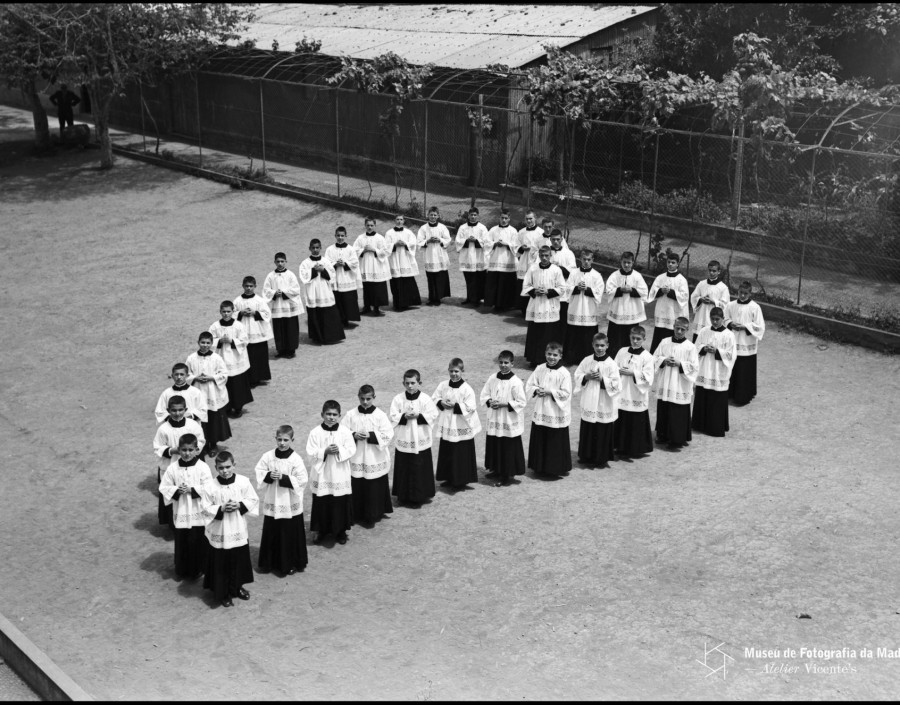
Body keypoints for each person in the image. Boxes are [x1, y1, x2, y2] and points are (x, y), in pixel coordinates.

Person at [202, 451, 258, 608]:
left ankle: (237, 587)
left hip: (237, 528)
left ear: (234, 465)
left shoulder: (243, 482)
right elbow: (204, 507)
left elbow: (253, 499)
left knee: (238, 560)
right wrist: (221, 508)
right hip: (220, 530)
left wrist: (240, 505)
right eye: (221, 468)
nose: (225, 471)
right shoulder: (210, 486)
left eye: (228, 467)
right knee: (221, 562)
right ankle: (223, 593)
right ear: (216, 468)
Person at [254, 425, 308, 576]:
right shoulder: (268, 456)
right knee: (272, 530)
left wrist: (284, 478)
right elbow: (259, 471)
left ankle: (289, 563)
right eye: (279, 439)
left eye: (286, 440)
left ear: (292, 440)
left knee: (288, 532)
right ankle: (268, 562)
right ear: (275, 439)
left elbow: (302, 480)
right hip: (273, 499)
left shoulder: (296, 459)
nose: (282, 443)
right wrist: (268, 476)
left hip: (289, 502)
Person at [159, 434, 213, 579]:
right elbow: (164, 487)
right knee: (183, 540)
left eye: (190, 450)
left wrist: (192, 490)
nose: (187, 453)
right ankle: (182, 569)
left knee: (198, 540)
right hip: (181, 509)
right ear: (179, 450)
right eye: (183, 450)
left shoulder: (202, 467)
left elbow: (210, 488)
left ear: (196, 450)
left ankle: (199, 568)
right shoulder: (173, 468)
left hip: (198, 510)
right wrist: (177, 491)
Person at [306, 400, 356, 545]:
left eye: (334, 414)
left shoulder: (345, 431)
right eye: (328, 414)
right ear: (322, 414)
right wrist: (324, 451)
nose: (331, 417)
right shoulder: (315, 432)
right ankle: (320, 530)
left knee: (339, 502)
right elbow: (310, 452)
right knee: (322, 502)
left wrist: (339, 450)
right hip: (322, 474)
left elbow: (351, 449)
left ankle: (340, 531)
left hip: (339, 472)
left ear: (339, 415)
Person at [344, 385, 394, 525]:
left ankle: (374, 513)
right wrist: (353, 435)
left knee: (374, 485)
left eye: (368, 399)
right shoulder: (351, 415)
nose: (365, 402)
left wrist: (371, 435)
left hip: (374, 457)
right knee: (358, 484)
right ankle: (358, 513)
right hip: (358, 456)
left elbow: (388, 434)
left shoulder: (380, 415)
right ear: (358, 397)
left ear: (374, 398)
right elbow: (342, 432)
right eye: (362, 398)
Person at [389, 370, 440, 505]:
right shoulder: (398, 399)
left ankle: (421, 496)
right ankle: (403, 496)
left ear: (419, 383)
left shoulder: (425, 399)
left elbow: (433, 414)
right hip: (404, 438)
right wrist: (403, 416)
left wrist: (419, 416)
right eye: (407, 383)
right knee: (404, 467)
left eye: (413, 383)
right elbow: (393, 416)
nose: (410, 386)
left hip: (420, 438)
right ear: (403, 383)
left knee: (420, 467)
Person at [153, 396, 205, 527]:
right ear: (168, 410)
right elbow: (157, 447)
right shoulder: (163, 429)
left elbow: (201, 441)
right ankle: (173, 524)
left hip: (190, 465)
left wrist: (189, 451)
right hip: (171, 466)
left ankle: (194, 522)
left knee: (191, 492)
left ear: (185, 409)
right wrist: (173, 450)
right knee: (173, 492)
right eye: (174, 410)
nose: (177, 413)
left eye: (180, 410)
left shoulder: (193, 425)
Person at [432, 357, 482, 490]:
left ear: (462, 371)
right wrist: (440, 402)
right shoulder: (443, 385)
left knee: (460, 452)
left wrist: (455, 406)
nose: (454, 374)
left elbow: (471, 407)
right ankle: (448, 477)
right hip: (447, 425)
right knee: (447, 451)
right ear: (448, 370)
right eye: (451, 371)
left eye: (457, 371)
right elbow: (434, 397)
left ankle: (461, 479)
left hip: (460, 425)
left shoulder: (467, 389)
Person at [525, 342, 573, 477]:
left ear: (560, 356)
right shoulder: (540, 368)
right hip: (541, 409)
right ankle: (538, 467)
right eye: (549, 354)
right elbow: (530, 385)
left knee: (554, 439)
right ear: (545, 354)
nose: (552, 357)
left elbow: (566, 393)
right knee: (540, 436)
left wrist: (550, 392)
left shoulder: (564, 373)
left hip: (555, 411)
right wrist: (536, 390)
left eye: (555, 355)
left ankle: (554, 469)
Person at [574, 333, 622, 469]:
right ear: (592, 345)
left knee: (601, 428)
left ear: (607, 346)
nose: (599, 348)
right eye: (597, 345)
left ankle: (600, 458)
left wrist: (602, 379)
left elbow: (617, 384)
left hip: (603, 402)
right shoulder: (587, 360)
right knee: (588, 427)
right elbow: (577, 375)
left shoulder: (611, 364)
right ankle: (585, 455)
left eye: (602, 345)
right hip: (589, 399)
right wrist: (586, 376)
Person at [479, 350, 527, 486]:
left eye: (506, 363)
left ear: (512, 364)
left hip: (508, 419)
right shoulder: (492, 378)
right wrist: (490, 402)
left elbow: (521, 402)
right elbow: (484, 394)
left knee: (506, 446)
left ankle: (506, 474)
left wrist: (504, 404)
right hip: (495, 417)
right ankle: (496, 469)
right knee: (495, 443)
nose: (503, 365)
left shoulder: (516, 382)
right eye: (501, 362)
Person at [652, 317, 699, 450]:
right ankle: (662, 435)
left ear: (687, 330)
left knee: (677, 411)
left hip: (680, 384)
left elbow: (695, 367)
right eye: (677, 328)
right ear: (673, 326)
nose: (679, 331)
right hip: (665, 382)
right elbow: (654, 358)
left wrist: (680, 364)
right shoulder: (664, 342)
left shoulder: (690, 347)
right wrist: (663, 360)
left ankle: (677, 439)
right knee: (664, 407)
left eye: (682, 329)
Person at [692, 307, 736, 437]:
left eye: (717, 319)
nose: (715, 322)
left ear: (723, 319)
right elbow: (695, 347)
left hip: (718, 371)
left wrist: (717, 351)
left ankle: (715, 427)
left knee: (716, 398)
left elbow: (731, 355)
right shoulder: (704, 331)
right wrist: (703, 348)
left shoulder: (729, 335)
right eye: (712, 319)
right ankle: (699, 425)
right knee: (702, 395)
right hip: (705, 369)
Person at [613, 326, 655, 458]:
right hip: (622, 391)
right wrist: (618, 370)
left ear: (644, 339)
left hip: (636, 393)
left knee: (635, 421)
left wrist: (633, 373)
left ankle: (635, 448)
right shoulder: (622, 351)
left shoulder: (647, 356)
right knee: (622, 418)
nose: (635, 341)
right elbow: (613, 367)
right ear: (629, 337)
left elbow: (649, 377)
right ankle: (620, 446)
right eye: (633, 338)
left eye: (638, 339)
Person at [186, 332, 231, 457]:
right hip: (198, 391)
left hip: (213, 393)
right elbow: (187, 374)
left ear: (212, 344)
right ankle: (202, 445)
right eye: (202, 342)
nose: (205, 345)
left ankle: (213, 444)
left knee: (213, 419)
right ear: (198, 342)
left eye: (208, 343)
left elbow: (224, 374)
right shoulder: (191, 358)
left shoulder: (216, 358)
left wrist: (212, 378)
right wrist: (195, 378)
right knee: (199, 418)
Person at [724, 281, 766, 406]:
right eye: (740, 293)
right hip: (733, 342)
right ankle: (730, 393)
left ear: (750, 293)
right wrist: (731, 324)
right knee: (732, 368)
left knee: (744, 371)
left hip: (747, 345)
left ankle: (743, 396)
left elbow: (760, 327)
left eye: (745, 293)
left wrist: (745, 327)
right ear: (737, 292)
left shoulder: (755, 307)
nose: (742, 296)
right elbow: (725, 319)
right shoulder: (730, 305)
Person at [209, 301, 253, 418]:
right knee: (224, 384)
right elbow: (209, 341)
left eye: (229, 311)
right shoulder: (215, 326)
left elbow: (244, 341)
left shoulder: (238, 325)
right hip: (222, 358)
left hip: (236, 359)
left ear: (233, 311)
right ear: (220, 312)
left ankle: (238, 407)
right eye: (224, 311)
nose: (226, 314)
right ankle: (226, 407)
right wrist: (219, 341)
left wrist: (232, 341)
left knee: (237, 384)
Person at [522, 246, 565, 367]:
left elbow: (562, 288)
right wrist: (534, 291)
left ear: (550, 256)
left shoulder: (556, 270)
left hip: (549, 306)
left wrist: (548, 291)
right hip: (536, 306)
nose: (544, 258)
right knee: (535, 333)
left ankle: (548, 360)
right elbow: (526, 285)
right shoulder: (533, 268)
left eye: (547, 255)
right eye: (542, 256)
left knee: (548, 334)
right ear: (539, 256)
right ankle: (534, 359)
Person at [299, 239, 346, 344]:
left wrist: (323, 270)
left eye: (317, 248)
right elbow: (303, 277)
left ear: (320, 248)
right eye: (313, 248)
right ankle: (318, 338)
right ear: (309, 248)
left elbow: (332, 275)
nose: (315, 250)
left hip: (325, 291)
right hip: (313, 292)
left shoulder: (325, 261)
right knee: (315, 315)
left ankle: (330, 337)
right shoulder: (305, 263)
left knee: (328, 314)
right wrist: (313, 271)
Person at [563, 248, 604, 365]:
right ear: (580, 259)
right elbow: (567, 288)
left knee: (587, 336)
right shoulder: (574, 273)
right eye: (584, 259)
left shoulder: (596, 275)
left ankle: (587, 360)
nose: (586, 262)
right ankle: (571, 358)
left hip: (588, 310)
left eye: (589, 259)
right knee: (573, 334)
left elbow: (599, 292)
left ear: (592, 260)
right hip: (575, 309)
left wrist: (587, 289)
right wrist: (576, 288)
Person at [604, 251, 649, 358]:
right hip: (617, 312)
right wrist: (619, 290)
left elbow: (644, 292)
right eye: (624, 262)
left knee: (630, 335)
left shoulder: (637, 276)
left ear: (633, 262)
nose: (626, 265)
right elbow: (609, 291)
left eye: (629, 262)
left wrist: (632, 290)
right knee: (616, 337)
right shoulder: (614, 275)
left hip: (631, 313)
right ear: (621, 261)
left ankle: (629, 357)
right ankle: (613, 357)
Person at [232, 275, 273, 387]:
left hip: (257, 333)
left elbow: (267, 314)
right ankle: (248, 379)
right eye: (246, 286)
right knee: (246, 356)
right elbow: (231, 314)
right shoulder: (237, 301)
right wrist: (241, 313)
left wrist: (255, 313)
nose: (248, 288)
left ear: (255, 286)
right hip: (244, 331)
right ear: (243, 286)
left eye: (251, 286)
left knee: (259, 356)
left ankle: (259, 377)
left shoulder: (259, 300)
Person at [262, 252, 304, 358]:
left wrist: (284, 292)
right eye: (278, 261)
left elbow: (296, 289)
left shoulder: (290, 274)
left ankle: (291, 350)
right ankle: (280, 350)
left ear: (286, 262)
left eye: (282, 261)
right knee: (278, 328)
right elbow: (266, 290)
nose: (280, 264)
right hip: (277, 306)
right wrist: (274, 293)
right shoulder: (271, 276)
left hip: (289, 307)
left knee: (290, 328)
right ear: (274, 262)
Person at [647, 252, 690, 354]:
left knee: (671, 335)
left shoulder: (681, 280)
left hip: (673, 313)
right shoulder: (660, 277)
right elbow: (652, 292)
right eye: (669, 262)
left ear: (677, 264)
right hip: (661, 312)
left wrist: (670, 292)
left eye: (673, 262)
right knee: (659, 336)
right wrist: (661, 291)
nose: (670, 264)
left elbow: (684, 297)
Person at [325, 226, 362, 327]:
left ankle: (347, 319)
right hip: (336, 278)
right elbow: (326, 263)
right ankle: (339, 320)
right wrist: (335, 264)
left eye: (342, 235)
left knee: (348, 300)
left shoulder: (350, 249)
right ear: (335, 236)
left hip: (347, 278)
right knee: (338, 299)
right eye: (338, 235)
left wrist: (345, 263)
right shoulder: (330, 249)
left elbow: (355, 263)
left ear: (346, 236)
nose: (340, 238)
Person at [354, 217, 390, 316]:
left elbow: (385, 251)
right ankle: (367, 306)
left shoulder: (380, 238)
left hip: (376, 265)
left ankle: (376, 307)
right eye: (368, 225)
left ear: (375, 225)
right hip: (365, 265)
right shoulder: (360, 238)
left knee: (377, 287)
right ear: (365, 226)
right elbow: (354, 250)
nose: (369, 227)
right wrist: (363, 250)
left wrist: (374, 250)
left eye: (371, 225)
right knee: (367, 286)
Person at [484, 209, 519, 311]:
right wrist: (494, 244)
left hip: (507, 261)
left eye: (506, 218)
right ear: (499, 218)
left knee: (506, 284)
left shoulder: (513, 231)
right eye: (502, 218)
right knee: (494, 283)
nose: (504, 220)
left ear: (509, 219)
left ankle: (506, 305)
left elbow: (516, 245)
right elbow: (487, 243)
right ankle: (494, 303)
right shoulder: (493, 230)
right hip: (495, 259)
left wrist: (507, 244)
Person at [455, 207, 491, 306]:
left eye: (475, 215)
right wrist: (466, 240)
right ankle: (469, 298)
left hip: (478, 256)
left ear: (478, 216)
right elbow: (457, 241)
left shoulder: (482, 228)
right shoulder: (463, 227)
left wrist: (476, 241)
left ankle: (477, 299)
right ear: (468, 216)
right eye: (471, 215)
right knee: (469, 279)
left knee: (478, 279)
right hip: (467, 257)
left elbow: (487, 243)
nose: (473, 217)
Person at [416, 207, 452, 306]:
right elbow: (418, 241)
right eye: (431, 214)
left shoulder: (442, 227)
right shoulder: (423, 228)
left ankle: (439, 298)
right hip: (430, 254)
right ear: (428, 215)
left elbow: (448, 239)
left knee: (439, 276)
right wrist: (427, 241)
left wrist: (440, 240)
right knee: (431, 277)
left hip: (440, 255)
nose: (433, 217)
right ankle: (432, 298)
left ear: (438, 216)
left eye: (435, 215)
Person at [385, 214, 422, 312]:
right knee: (396, 282)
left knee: (407, 281)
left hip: (405, 259)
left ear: (404, 221)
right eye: (397, 219)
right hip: (395, 259)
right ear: (394, 220)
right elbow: (386, 246)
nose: (399, 221)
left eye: (401, 219)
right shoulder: (389, 233)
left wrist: (405, 244)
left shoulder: (409, 232)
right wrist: (394, 244)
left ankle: (408, 303)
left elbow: (413, 243)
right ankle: (398, 304)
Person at [689, 260, 730, 342]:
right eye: (710, 270)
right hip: (700, 317)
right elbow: (693, 297)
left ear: (719, 272)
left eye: (714, 271)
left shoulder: (723, 288)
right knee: (697, 342)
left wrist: (713, 302)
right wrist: (700, 299)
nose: (711, 273)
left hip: (712, 319)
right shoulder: (701, 284)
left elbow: (726, 305)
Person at [516, 211, 544, 315]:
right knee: (523, 283)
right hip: (524, 261)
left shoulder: (540, 232)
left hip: (535, 262)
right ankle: (523, 309)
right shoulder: (521, 232)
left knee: (533, 283)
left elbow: (543, 248)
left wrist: (532, 249)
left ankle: (533, 310)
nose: (528, 221)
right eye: (527, 219)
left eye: (530, 218)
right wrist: (521, 248)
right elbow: (516, 246)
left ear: (535, 218)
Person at [548, 229, 577, 330]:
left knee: (562, 319)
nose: (555, 242)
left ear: (562, 239)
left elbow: (573, 273)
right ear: (550, 239)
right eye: (553, 239)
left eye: (558, 239)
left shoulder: (568, 253)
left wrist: (560, 268)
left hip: (563, 292)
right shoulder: (545, 252)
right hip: (549, 289)